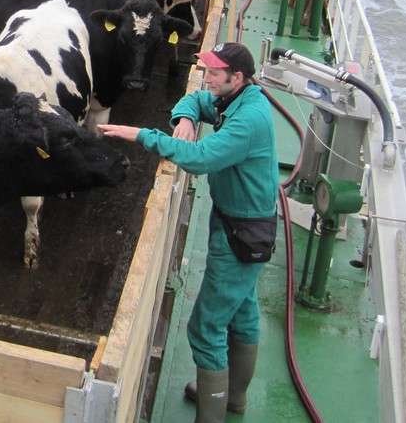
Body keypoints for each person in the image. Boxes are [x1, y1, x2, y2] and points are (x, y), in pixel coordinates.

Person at [98, 42, 278, 423]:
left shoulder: (248, 120)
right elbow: (196, 101)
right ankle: (233, 398)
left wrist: (143, 135)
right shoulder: (239, 98)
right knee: (243, 312)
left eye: (213, 73)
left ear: (237, 77)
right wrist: (185, 118)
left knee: (205, 328)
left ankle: (211, 412)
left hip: (239, 234)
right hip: (240, 221)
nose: (206, 78)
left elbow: (200, 159)